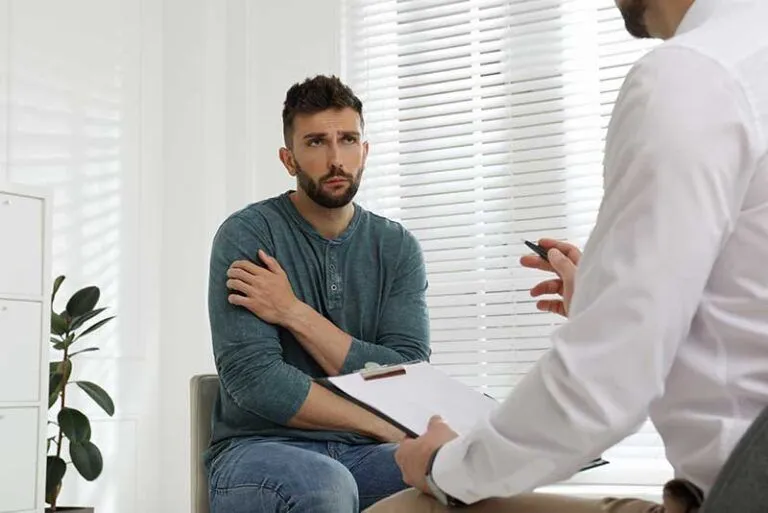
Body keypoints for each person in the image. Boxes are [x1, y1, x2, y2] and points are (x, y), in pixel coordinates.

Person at [367, 0, 768, 511]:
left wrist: (443, 466)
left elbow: (600, 392)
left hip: (736, 496)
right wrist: (605, 300)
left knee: (403, 508)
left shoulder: (693, 77)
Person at [205, 75, 431, 513]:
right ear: (288, 159)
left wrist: (292, 312)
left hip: (361, 454)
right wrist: (380, 424)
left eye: (347, 139)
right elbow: (257, 381)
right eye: (315, 143)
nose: (335, 159)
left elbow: (408, 373)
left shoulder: (397, 246)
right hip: (258, 449)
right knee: (323, 487)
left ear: (364, 151)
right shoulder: (248, 234)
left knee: (453, 476)